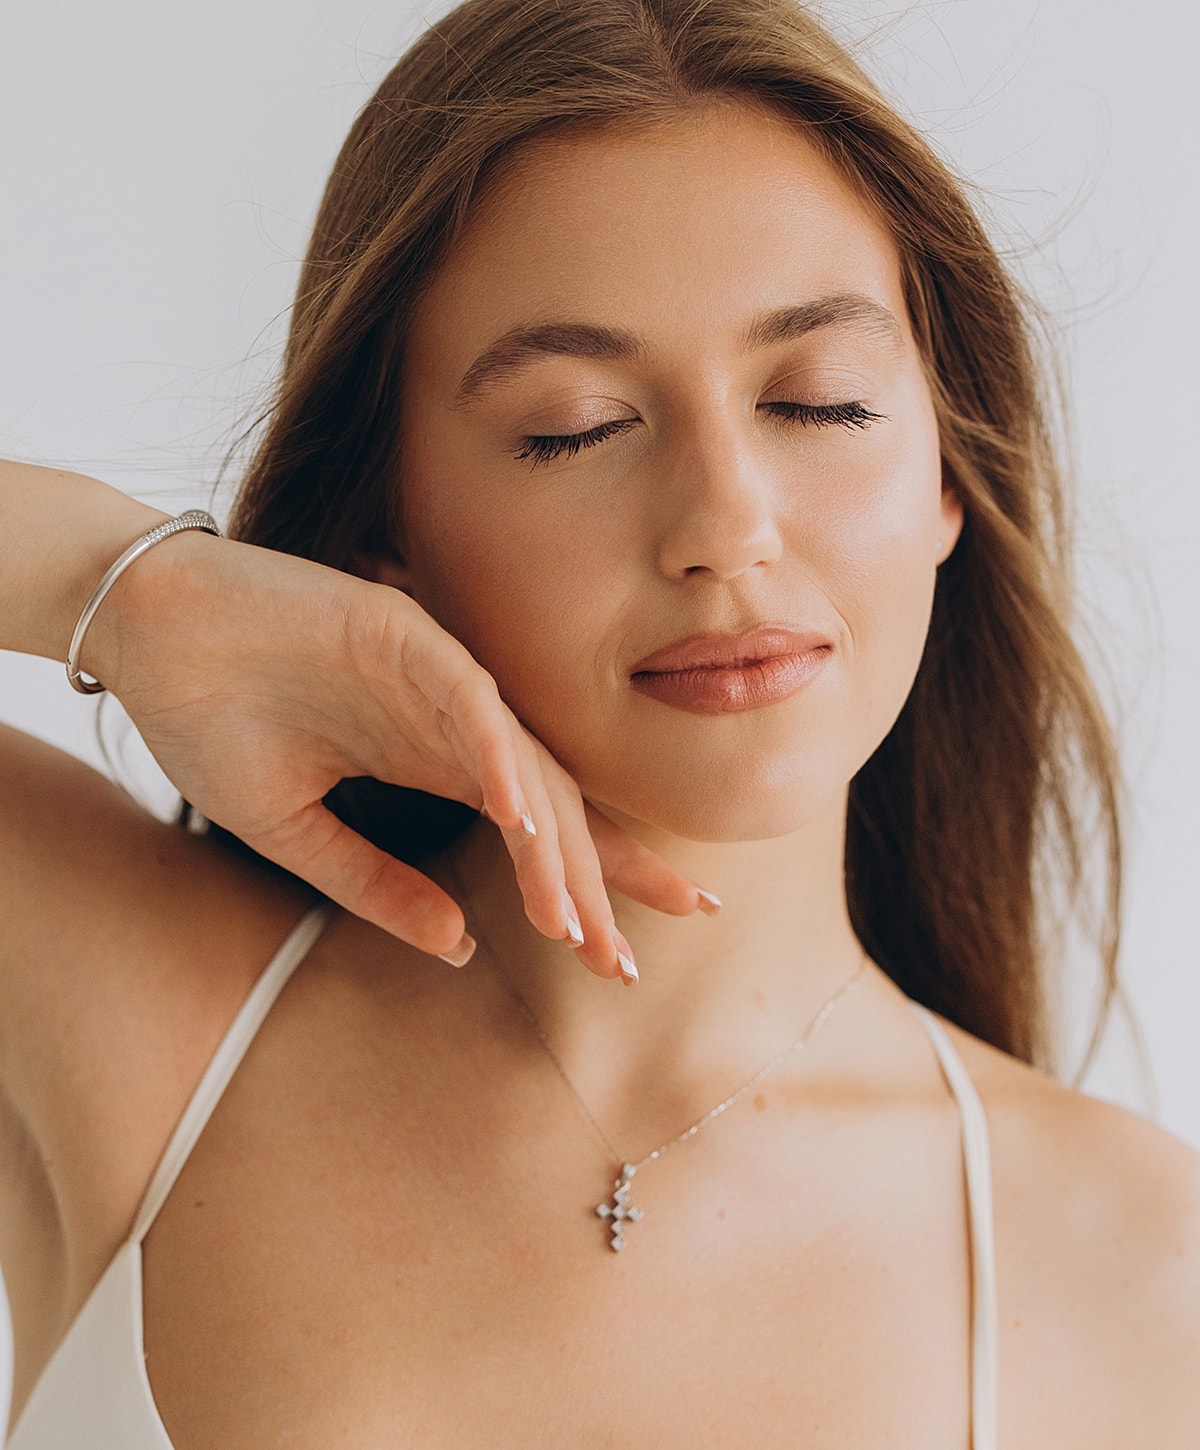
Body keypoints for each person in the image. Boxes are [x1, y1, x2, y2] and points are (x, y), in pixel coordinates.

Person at [2, 0, 1198, 1444]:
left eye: (819, 402)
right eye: (573, 425)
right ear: (392, 525)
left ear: (946, 473)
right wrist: (139, 596)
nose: (726, 528)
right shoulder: (131, 1014)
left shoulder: (1141, 1269)